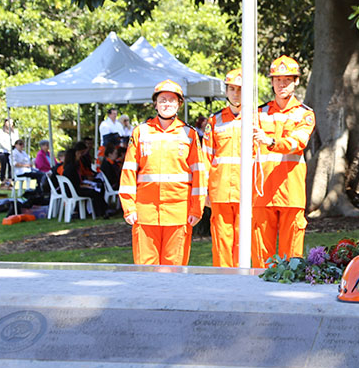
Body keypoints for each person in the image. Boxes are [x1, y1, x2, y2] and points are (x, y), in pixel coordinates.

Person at [120, 80, 205, 265]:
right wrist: (129, 208)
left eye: (172, 100)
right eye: (163, 100)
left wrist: (196, 209)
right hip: (145, 213)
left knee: (174, 270)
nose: (167, 104)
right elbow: (128, 171)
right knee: (145, 270)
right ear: (155, 104)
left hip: (178, 213)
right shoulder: (140, 132)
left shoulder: (189, 135)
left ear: (179, 104)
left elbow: (199, 174)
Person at [252, 56, 317, 268]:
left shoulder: (305, 114)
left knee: (292, 260)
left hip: (291, 191)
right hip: (263, 193)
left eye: (287, 79)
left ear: (296, 81)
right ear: (271, 81)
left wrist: (270, 141)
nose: (282, 84)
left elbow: (297, 142)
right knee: (262, 260)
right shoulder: (258, 113)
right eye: (278, 79)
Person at [203, 68, 252, 267]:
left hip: (246, 192)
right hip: (220, 192)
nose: (235, 93)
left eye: (239, 89)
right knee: (222, 242)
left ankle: (242, 287)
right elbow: (205, 157)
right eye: (232, 89)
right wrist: (204, 192)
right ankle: (222, 286)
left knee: (243, 242)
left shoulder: (255, 119)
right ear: (226, 91)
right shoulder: (214, 121)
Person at [58, 142, 109, 218]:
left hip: (72, 189)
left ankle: (100, 210)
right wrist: (86, 185)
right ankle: (100, 212)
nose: (80, 156)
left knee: (95, 189)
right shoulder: (71, 168)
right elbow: (76, 183)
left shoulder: (69, 166)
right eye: (78, 154)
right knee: (95, 192)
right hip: (73, 191)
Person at [0, 118, 18, 185]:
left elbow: (16, 140)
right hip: (3, 151)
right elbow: (1, 141)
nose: (10, 124)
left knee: (11, 165)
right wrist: (8, 148)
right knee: (3, 165)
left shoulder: (15, 132)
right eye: (9, 122)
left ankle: (11, 179)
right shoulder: (1, 131)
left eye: (11, 122)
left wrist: (13, 147)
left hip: (11, 151)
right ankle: (3, 179)